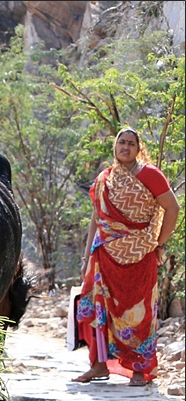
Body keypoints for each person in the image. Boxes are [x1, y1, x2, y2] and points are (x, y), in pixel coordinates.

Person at [73, 127, 179, 387]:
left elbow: (172, 208)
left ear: (138, 148)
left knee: (140, 313)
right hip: (104, 254)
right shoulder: (105, 178)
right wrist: (87, 255)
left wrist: (160, 244)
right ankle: (98, 365)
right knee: (101, 308)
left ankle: (140, 370)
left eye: (132, 143)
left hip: (141, 253)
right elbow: (97, 218)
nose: (126, 147)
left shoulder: (150, 175)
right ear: (115, 146)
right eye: (122, 142)